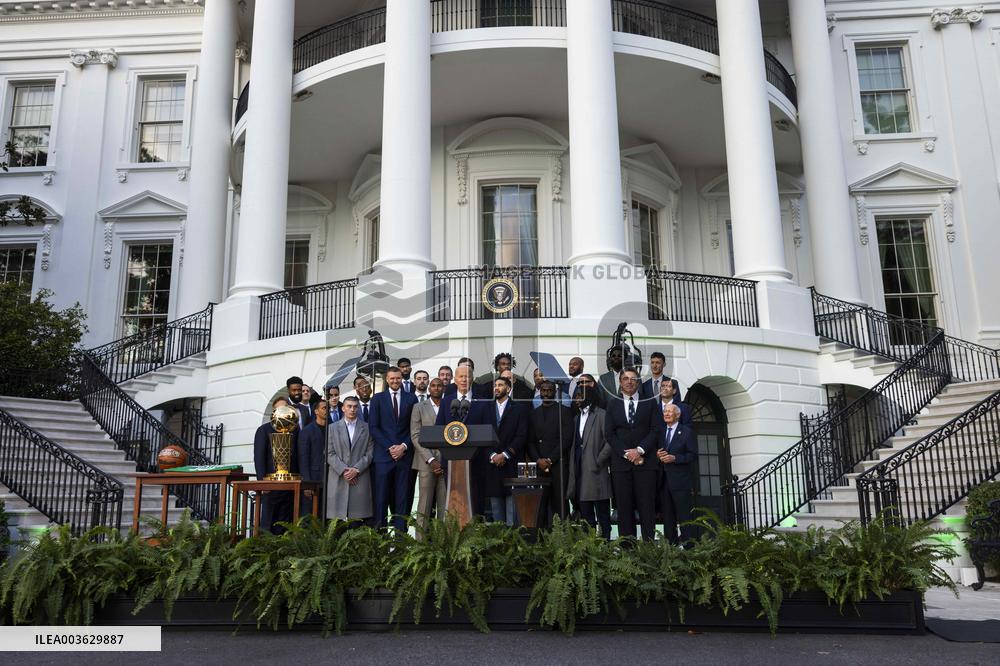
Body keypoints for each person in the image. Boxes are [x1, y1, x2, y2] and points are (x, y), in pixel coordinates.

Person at [604, 368, 660, 540]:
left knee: (647, 508)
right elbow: (609, 434)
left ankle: (649, 550)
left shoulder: (650, 402)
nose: (629, 381)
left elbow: (656, 430)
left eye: (633, 379)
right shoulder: (612, 403)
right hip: (621, 466)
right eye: (625, 378)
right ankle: (627, 551)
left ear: (638, 382)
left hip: (646, 464)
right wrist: (627, 454)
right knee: (624, 509)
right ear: (620, 382)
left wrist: (640, 450)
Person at [369, 366, 418, 531]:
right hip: (383, 457)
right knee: (381, 499)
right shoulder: (377, 399)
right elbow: (374, 427)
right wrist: (391, 447)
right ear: (387, 380)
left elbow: (414, 427)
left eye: (398, 378)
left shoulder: (411, 399)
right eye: (392, 378)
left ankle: (401, 540)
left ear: (401, 378)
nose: (395, 381)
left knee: (402, 500)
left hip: (405, 457)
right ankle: (380, 540)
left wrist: (403, 446)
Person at [479, 376, 527, 525]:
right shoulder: (486, 409)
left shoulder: (519, 409)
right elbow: (482, 434)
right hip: (492, 464)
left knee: (512, 508)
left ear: (508, 388)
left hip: (511, 463)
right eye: (495, 385)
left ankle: (513, 542)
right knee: (496, 506)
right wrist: (493, 455)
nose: (497, 388)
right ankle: (500, 542)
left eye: (500, 385)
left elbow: (521, 435)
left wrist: (505, 455)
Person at [566, 386, 613, 539]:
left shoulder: (602, 414)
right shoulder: (576, 417)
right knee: (586, 515)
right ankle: (590, 546)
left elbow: (610, 441)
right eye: (576, 396)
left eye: (580, 395)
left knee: (603, 514)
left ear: (589, 396)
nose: (577, 399)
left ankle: (605, 543)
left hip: (597, 471)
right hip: (580, 471)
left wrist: (598, 460)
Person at [528, 380, 573, 527]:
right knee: (539, 503)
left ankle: (562, 539)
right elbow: (530, 441)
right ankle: (540, 540)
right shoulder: (533, 414)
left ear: (555, 392)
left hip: (558, 464)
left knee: (560, 503)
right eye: (543, 390)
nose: (546, 393)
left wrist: (550, 459)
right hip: (539, 465)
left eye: (549, 390)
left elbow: (566, 439)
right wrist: (538, 460)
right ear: (539, 392)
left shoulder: (564, 411)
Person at [252, 397, 299, 534]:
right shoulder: (264, 430)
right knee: (268, 521)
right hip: (270, 485)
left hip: (290, 484)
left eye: (286, 408)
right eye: (280, 409)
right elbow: (259, 458)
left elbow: (297, 456)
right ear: (274, 412)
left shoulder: (295, 430)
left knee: (286, 522)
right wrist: (262, 482)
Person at [326, 396, 374, 523]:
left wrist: (356, 469)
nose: (352, 409)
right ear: (343, 408)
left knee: (358, 521)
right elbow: (329, 453)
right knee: (336, 523)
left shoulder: (367, 428)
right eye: (349, 406)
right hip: (338, 477)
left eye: (355, 407)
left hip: (360, 477)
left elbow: (370, 452)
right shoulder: (332, 428)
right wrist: (344, 471)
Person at [410, 377, 448, 535]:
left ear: (443, 388)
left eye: (439, 385)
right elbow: (415, 435)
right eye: (433, 385)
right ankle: (420, 544)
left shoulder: (450, 406)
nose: (436, 388)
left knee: (444, 507)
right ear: (429, 389)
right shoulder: (419, 407)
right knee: (424, 505)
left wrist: (444, 459)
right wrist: (431, 460)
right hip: (426, 463)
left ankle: (443, 544)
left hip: (446, 461)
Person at [657, 403, 698, 545]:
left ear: (678, 415)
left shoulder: (687, 432)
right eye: (665, 412)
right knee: (668, 519)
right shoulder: (660, 432)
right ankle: (671, 549)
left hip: (680, 482)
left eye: (670, 411)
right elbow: (657, 452)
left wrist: (675, 458)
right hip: (663, 482)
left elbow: (693, 455)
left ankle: (689, 549)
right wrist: (658, 455)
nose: (666, 414)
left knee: (684, 518)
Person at [298, 398, 329, 484]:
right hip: (314, 476)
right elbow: (303, 457)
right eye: (324, 408)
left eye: (328, 408)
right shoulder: (307, 431)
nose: (327, 410)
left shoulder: (333, 428)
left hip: (331, 477)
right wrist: (307, 481)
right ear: (316, 411)